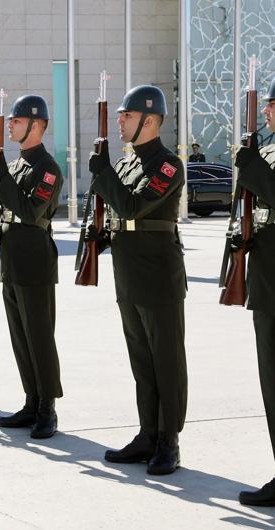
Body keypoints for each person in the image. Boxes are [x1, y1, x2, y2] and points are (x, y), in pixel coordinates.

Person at [87, 85, 187, 475]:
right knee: (142, 361)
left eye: (126, 116)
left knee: (166, 361)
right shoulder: (128, 164)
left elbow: (131, 205)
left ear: (150, 120)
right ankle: (147, 433)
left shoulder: (167, 165)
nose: (119, 122)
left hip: (158, 274)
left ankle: (169, 440)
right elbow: (119, 214)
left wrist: (103, 173)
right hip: (128, 272)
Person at [0, 95, 64, 438]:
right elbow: (10, 213)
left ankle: (48, 407)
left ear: (38, 126)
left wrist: (1, 181)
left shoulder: (47, 168)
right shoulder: (17, 166)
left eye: (16, 121)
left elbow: (31, 212)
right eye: (11, 121)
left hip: (35, 262)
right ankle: (31, 401)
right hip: (14, 261)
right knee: (21, 336)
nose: (10, 126)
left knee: (40, 337)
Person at [234, 78, 275, 506]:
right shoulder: (266, 152)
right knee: (271, 385)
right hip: (266, 281)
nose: (265, 112)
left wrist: (253, 167)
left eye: (271, 105)